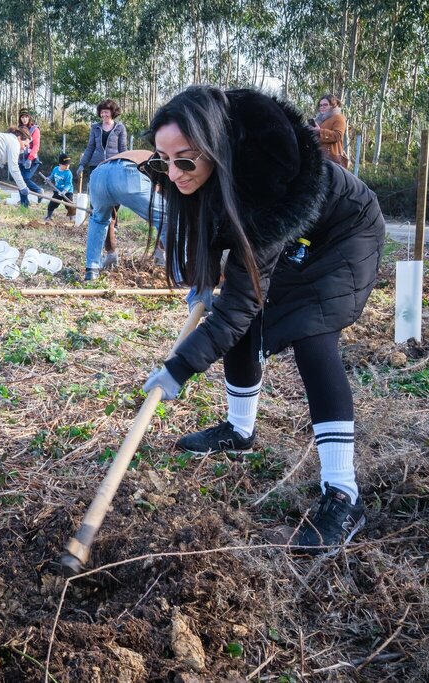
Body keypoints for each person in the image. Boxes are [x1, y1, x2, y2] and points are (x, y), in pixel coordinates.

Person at [140, 86, 384, 551]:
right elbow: (219, 248)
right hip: (297, 234)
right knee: (244, 321)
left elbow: (237, 304)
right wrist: (202, 282)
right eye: (162, 161)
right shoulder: (209, 172)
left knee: (313, 333)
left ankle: (343, 492)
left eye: (185, 161)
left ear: (213, 149)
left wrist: (179, 368)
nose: (173, 175)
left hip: (345, 231)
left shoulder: (268, 182)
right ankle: (239, 429)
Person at [83, 150, 167, 280]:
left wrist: (111, 251)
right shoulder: (163, 162)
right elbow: (165, 212)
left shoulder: (144, 157)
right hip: (128, 171)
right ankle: (180, 274)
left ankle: (92, 270)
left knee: (98, 220)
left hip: (98, 174)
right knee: (168, 217)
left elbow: (111, 216)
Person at [78, 99, 128, 268]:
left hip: (114, 166)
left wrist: (126, 165)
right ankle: (100, 225)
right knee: (97, 204)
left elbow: (123, 148)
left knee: (114, 201)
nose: (104, 115)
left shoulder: (120, 128)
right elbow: (90, 147)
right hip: (96, 167)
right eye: (102, 112)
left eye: (107, 112)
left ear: (113, 113)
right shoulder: (95, 128)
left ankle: (111, 225)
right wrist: (82, 164)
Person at [311, 94, 348, 168]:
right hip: (318, 157)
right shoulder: (319, 119)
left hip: (332, 160)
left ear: (332, 106)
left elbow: (338, 135)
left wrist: (320, 131)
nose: (322, 107)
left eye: (325, 105)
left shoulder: (339, 118)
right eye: (321, 105)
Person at [17, 108, 42, 197]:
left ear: (29, 118)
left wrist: (30, 159)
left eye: (26, 117)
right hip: (20, 159)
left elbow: (36, 146)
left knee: (25, 178)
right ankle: (24, 205)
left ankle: (39, 191)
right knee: (19, 181)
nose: (24, 119)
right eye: (22, 117)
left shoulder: (35, 129)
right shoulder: (18, 129)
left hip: (32, 159)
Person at [44, 153, 74, 223]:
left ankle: (72, 219)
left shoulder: (68, 173)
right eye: (65, 165)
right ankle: (49, 216)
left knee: (69, 205)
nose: (67, 166)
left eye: (68, 165)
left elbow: (68, 184)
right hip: (57, 191)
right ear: (60, 164)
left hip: (67, 192)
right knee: (52, 204)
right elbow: (52, 176)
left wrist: (64, 191)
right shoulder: (55, 169)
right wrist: (48, 179)